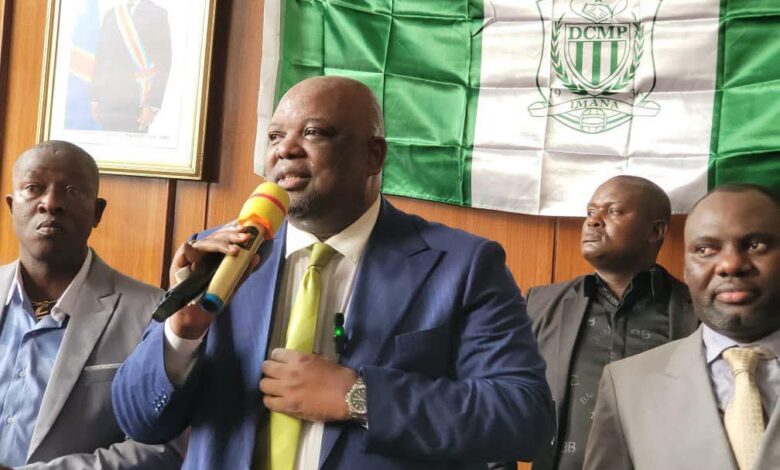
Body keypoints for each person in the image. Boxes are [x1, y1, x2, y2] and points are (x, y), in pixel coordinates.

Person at [112, 76, 555, 469]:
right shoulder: (218, 258)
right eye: (275, 136)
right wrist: (180, 336)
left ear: (373, 156)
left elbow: (523, 418)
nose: (285, 149)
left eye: (313, 133)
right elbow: (139, 419)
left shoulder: (462, 265)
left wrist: (359, 397)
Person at [0, 141, 184, 469]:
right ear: (12, 206)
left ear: (97, 212)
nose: (51, 203)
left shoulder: (151, 312)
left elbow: (163, 448)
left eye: (71, 191)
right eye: (34, 188)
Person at [494, 176, 698, 470]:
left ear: (655, 231)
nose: (593, 221)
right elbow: (502, 398)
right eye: (590, 212)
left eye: (612, 211)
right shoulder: (538, 304)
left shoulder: (697, 313)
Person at [584, 184, 780, 470]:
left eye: (755, 245)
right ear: (686, 270)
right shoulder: (626, 385)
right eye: (705, 249)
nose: (730, 265)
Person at [90, 0, 172, 133]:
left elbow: (163, 64)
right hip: (108, 103)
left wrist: (151, 106)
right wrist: (95, 98)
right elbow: (101, 58)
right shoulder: (111, 14)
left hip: (137, 103)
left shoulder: (158, 14)